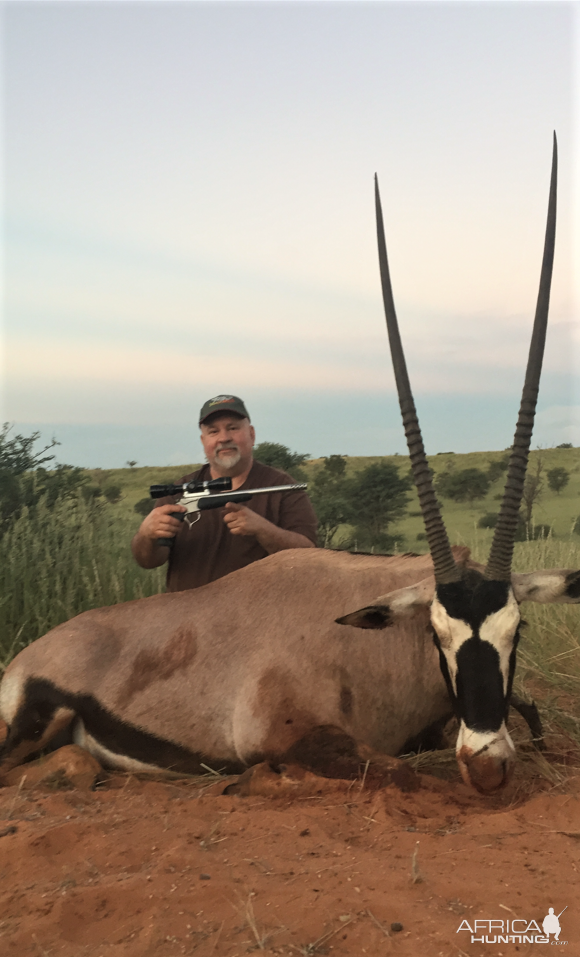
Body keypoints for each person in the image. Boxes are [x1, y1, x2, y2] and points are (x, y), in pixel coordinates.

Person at [131, 394, 317, 591]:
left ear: (252, 434)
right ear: (204, 441)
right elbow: (149, 561)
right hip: (187, 618)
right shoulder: (180, 490)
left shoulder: (281, 486)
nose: (224, 438)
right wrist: (147, 536)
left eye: (233, 428)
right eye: (213, 431)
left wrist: (263, 530)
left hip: (260, 618)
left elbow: (310, 558)